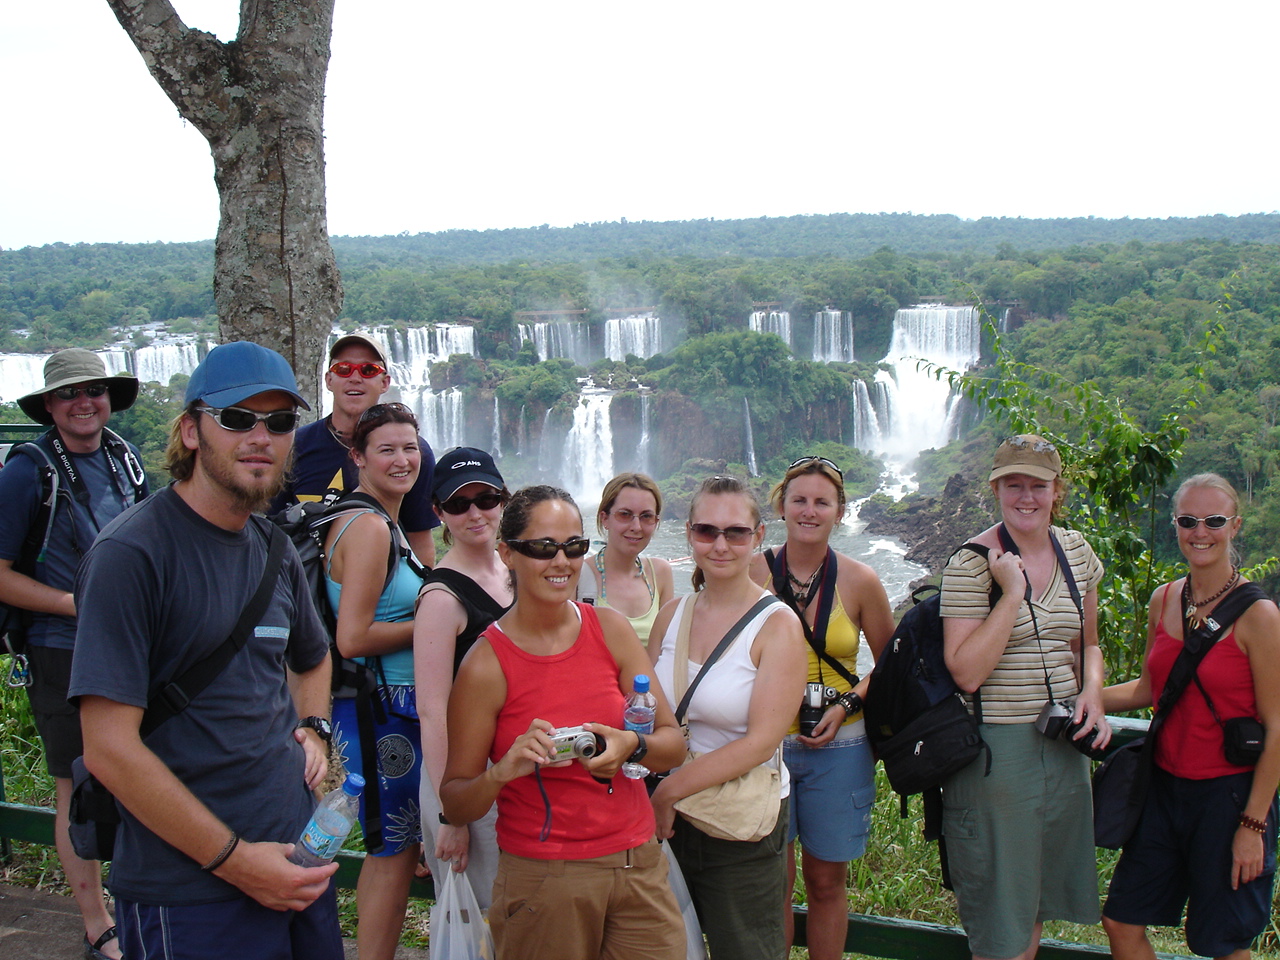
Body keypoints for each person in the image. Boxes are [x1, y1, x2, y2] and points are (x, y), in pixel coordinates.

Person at [68, 341, 343, 960]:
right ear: (191, 430)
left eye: (279, 422)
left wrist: (315, 725)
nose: (261, 437)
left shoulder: (273, 549)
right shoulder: (132, 556)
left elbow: (314, 656)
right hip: (190, 891)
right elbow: (109, 748)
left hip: (297, 864)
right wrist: (239, 863)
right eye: (238, 418)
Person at [439, 485, 688, 960]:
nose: (562, 562)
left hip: (638, 865)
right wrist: (503, 770)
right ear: (507, 553)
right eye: (543, 548)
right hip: (544, 880)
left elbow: (673, 744)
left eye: (574, 546)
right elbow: (456, 801)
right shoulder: (486, 665)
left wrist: (628, 746)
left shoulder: (609, 628)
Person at [0, 348, 148, 960]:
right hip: (62, 647)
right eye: (69, 394)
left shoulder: (123, 457)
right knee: (76, 787)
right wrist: (73, 605)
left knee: (138, 776)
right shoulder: (27, 471)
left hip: (132, 643)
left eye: (94, 390)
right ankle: (95, 921)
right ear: (50, 407)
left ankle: (138, 902)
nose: (84, 403)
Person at [939, 434, 1110, 960]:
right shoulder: (971, 565)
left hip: (1062, 748)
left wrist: (1095, 695)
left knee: (1034, 901)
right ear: (996, 488)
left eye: (1038, 485)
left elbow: (1090, 645)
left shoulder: (1077, 551)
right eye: (1014, 484)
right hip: (997, 753)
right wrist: (1011, 593)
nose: (1026, 497)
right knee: (999, 913)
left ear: (1057, 490)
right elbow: (965, 672)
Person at [1101, 473, 1280, 960]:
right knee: (1120, 921)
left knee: (1219, 942)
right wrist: (1081, 696)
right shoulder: (1166, 598)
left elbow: (1278, 725)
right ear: (1176, 526)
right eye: (1188, 520)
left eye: (1214, 520)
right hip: (1163, 789)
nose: (1200, 531)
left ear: (1235, 526)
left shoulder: (1259, 616)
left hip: (1229, 796)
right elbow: (1148, 689)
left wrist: (1253, 826)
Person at [650, 474, 808, 960]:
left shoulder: (777, 625)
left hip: (738, 823)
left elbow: (761, 742)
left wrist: (670, 791)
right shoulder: (672, 614)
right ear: (689, 534)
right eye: (706, 531)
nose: (720, 545)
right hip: (665, 821)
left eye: (736, 532)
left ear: (758, 537)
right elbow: (651, 712)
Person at [749, 455, 895, 960]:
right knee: (775, 880)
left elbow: (891, 663)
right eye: (799, 501)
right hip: (766, 747)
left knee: (827, 879)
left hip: (841, 744)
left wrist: (848, 702)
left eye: (821, 502)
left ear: (839, 511)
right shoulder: (752, 571)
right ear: (782, 507)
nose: (809, 511)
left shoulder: (860, 581)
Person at [323, 401, 428, 960]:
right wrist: (434, 622)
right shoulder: (367, 527)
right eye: (386, 449)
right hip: (380, 711)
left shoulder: (382, 520)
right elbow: (353, 637)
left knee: (392, 848)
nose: (402, 459)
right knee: (392, 854)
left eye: (409, 447)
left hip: (388, 707)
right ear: (357, 457)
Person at [414, 446, 513, 906]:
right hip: (467, 779)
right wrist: (448, 814)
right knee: (485, 916)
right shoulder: (440, 597)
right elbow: (432, 712)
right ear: (438, 513)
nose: (475, 513)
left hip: (512, 769)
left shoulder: (513, 571)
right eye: (458, 504)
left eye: (486, 499)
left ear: (504, 501)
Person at [270, 332, 440, 565]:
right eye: (344, 369)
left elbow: (419, 539)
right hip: (303, 590)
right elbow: (272, 534)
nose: (355, 377)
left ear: (385, 383)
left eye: (368, 370)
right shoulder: (294, 447)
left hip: (382, 592)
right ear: (329, 380)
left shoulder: (412, 454)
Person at [582, 472, 674, 646]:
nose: (636, 527)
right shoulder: (580, 576)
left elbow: (667, 649)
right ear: (605, 518)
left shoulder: (660, 574)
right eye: (625, 514)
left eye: (646, 516)